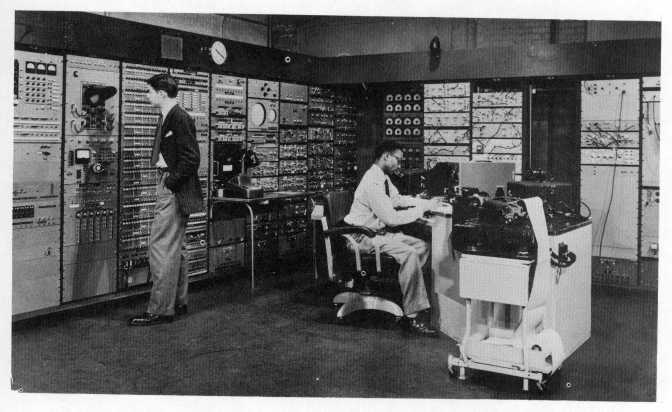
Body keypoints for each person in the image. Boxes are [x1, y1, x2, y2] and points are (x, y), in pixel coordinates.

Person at [344, 141, 443, 336]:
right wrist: (421, 210)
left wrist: (425, 203)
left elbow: (397, 200)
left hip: (376, 234)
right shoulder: (373, 182)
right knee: (409, 253)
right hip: (362, 237)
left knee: (422, 246)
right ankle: (413, 315)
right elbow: (391, 218)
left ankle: (407, 294)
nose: (399, 164)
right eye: (397, 159)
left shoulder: (382, 178)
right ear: (386, 157)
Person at [128, 74, 203, 326]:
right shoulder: (168, 116)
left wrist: (170, 182)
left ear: (161, 94)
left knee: (161, 247)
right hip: (172, 184)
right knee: (175, 248)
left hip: (174, 187)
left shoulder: (179, 117)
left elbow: (192, 158)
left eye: (149, 91)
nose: (146, 96)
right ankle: (177, 302)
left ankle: (160, 310)